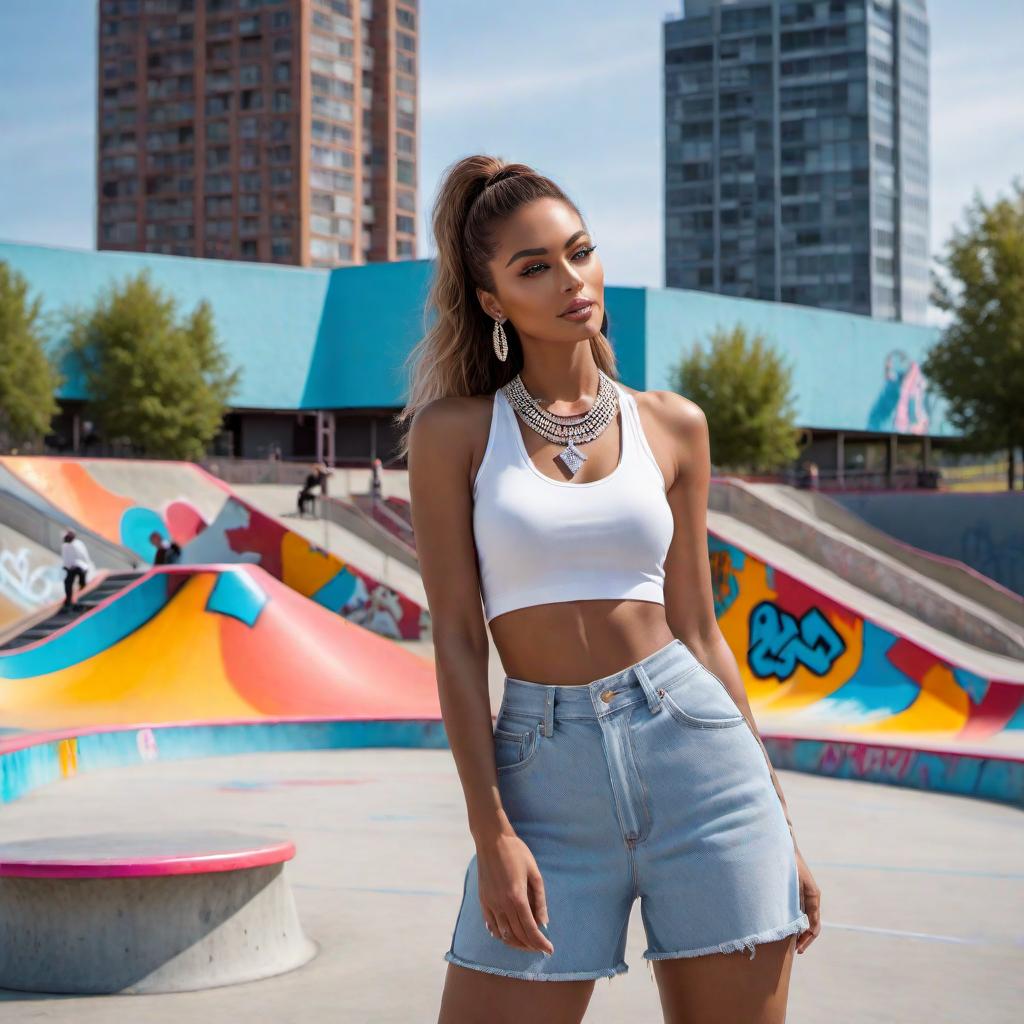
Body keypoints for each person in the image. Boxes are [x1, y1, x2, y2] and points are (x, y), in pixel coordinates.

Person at [401, 157, 820, 1021]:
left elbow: (701, 634)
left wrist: (778, 821)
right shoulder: (456, 435)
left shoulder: (673, 425)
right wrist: (492, 830)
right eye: (534, 268)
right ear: (492, 303)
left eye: (579, 252)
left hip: (702, 767)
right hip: (541, 780)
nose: (570, 280)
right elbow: (456, 641)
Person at [60, 529, 91, 611]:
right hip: (72, 568)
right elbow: (66, 558)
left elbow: (83, 556)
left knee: (81, 583)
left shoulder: (77, 544)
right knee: (68, 582)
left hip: (80, 567)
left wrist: (85, 566)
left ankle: (81, 598)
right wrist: (66, 566)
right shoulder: (65, 546)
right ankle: (69, 600)